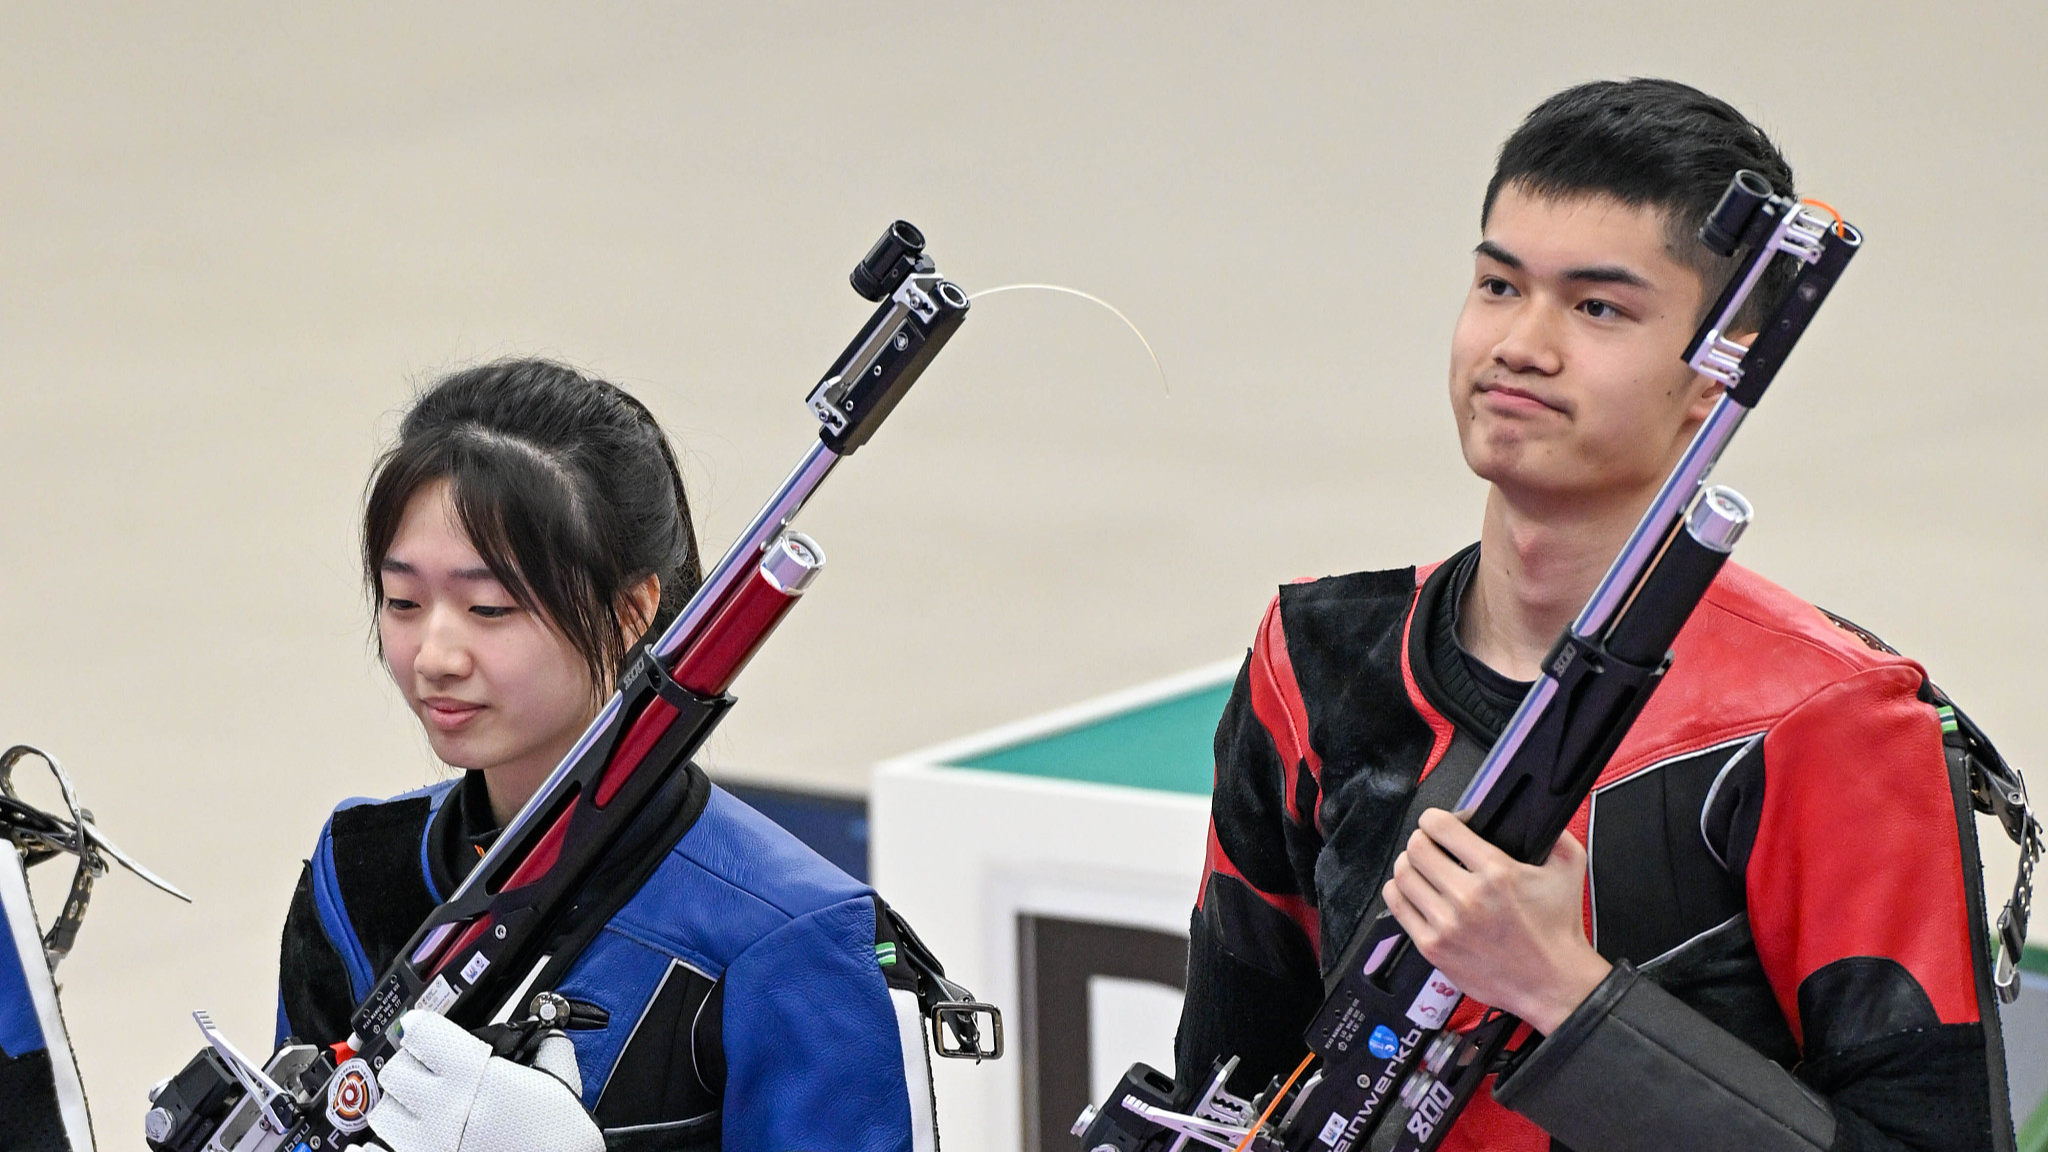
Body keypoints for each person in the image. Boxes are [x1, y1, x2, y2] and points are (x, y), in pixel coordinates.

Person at [1177, 80, 2013, 1151]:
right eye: (1498, 285)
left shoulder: (1831, 719)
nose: (1520, 344)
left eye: (1597, 308)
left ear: (1718, 374)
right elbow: (1223, 1093)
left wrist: (1559, 990)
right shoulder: (1313, 658)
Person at [277, 359, 940, 1152]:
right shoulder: (358, 871)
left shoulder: (792, 936)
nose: (435, 656)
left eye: (489, 607)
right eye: (403, 601)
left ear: (631, 611)